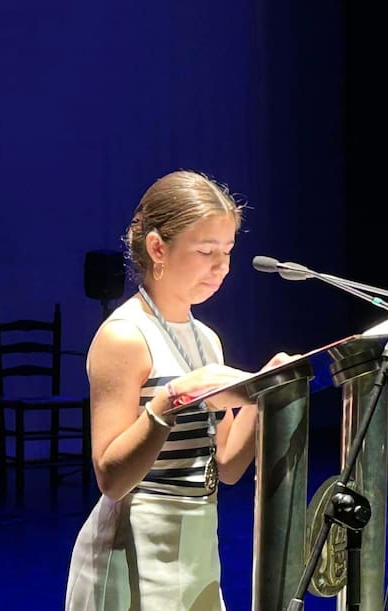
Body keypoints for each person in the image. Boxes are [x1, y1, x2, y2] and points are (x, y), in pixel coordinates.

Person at [66, 170, 293, 610]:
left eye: (227, 251)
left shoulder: (205, 338)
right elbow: (111, 478)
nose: (221, 266)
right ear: (157, 248)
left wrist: (267, 392)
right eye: (206, 250)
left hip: (196, 542)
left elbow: (225, 465)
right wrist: (172, 399)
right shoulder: (125, 336)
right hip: (136, 543)